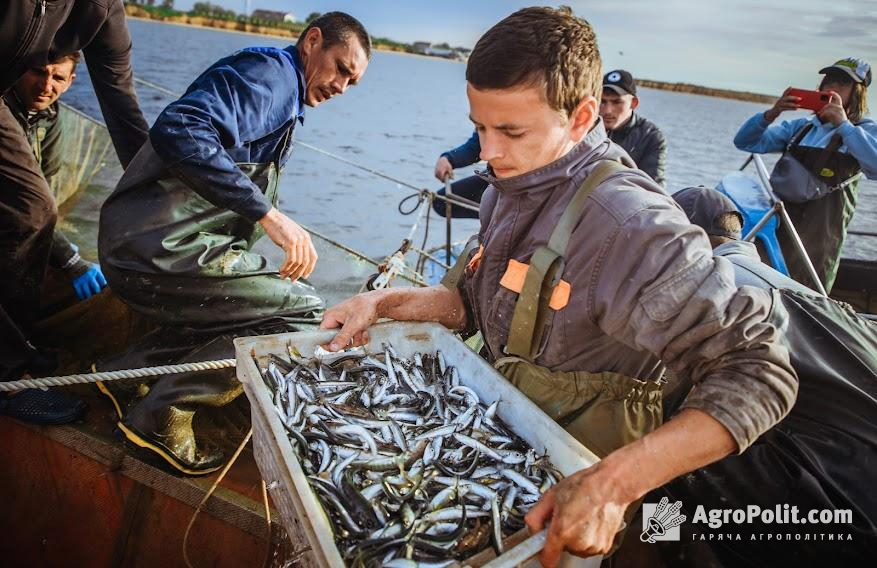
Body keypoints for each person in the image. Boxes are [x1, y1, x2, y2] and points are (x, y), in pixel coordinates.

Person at [321, 6, 802, 564]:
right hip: (509, 450)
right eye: (480, 127)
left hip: (603, 491)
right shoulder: (507, 187)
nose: (488, 152)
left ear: (580, 118)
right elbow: (474, 306)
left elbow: (760, 370)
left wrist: (615, 485)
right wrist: (386, 303)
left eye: (511, 130)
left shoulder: (631, 225)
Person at [97, 12, 371, 474]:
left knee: (257, 302)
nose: (342, 86)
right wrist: (269, 215)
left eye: (353, 82)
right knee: (302, 313)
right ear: (313, 41)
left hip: (148, 244)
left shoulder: (285, 92)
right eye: (340, 68)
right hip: (157, 250)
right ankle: (165, 412)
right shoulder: (272, 77)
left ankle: (130, 373)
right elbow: (180, 127)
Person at [666, 185, 877, 565]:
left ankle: (658, 549)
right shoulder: (809, 293)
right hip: (860, 473)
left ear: (682, 238)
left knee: (664, 458)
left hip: (841, 512)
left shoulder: (717, 291)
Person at [0, 0, 148, 379]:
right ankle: (10, 371)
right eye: (38, 73)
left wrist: (156, 187)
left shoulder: (102, 12)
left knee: (37, 211)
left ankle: (19, 345)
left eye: (58, 79)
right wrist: (68, 259)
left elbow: (123, 106)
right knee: (33, 208)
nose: (46, 86)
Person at [733, 57, 876, 293]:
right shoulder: (801, 127)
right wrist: (772, 113)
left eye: (841, 84)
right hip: (778, 223)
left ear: (858, 93)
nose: (831, 88)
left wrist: (843, 125)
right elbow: (746, 141)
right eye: (828, 81)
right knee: (759, 284)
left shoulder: (864, 131)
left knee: (808, 294)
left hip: (821, 235)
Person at [600, 69, 667, 185]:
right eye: (602, 101)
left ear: (634, 103)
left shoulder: (651, 137)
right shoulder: (585, 128)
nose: (607, 110)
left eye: (617, 102)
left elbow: (654, 186)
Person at [432, 131, 489, 218]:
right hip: (493, 178)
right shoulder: (484, 123)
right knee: (441, 202)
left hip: (513, 182)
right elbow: (476, 147)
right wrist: (449, 158)